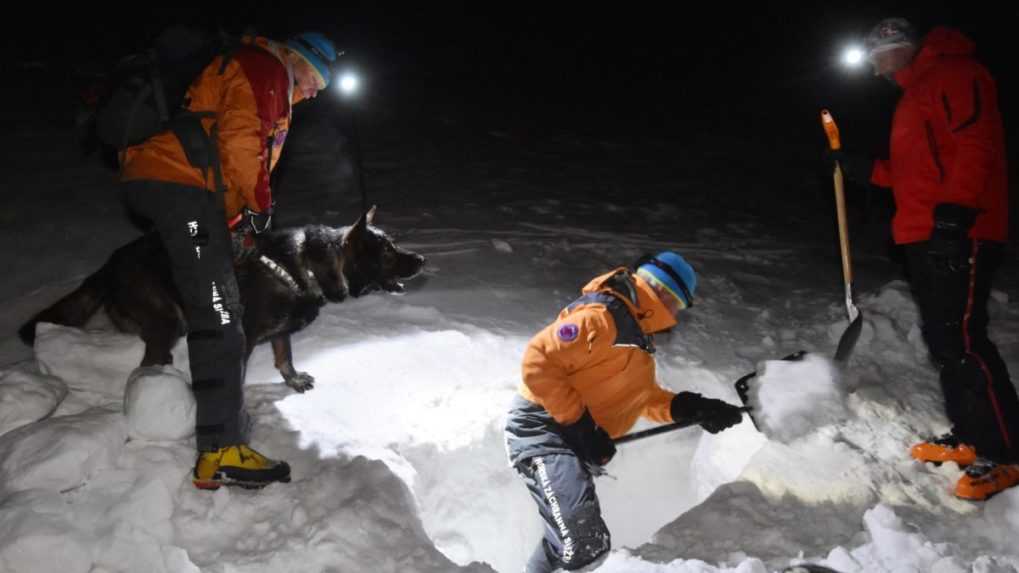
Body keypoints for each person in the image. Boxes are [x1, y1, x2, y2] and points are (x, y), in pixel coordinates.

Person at [118, 30, 338, 489]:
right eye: (317, 79)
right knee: (219, 315)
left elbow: (226, 145)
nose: (316, 92)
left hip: (177, 185)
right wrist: (256, 212)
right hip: (180, 186)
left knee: (220, 307)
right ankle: (219, 450)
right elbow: (242, 144)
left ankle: (219, 442)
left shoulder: (260, 70)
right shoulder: (266, 68)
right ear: (300, 60)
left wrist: (236, 222)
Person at [850, 17, 1019, 500]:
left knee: (964, 341)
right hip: (926, 232)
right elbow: (915, 174)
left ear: (896, 47)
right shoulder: (915, 94)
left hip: (959, 231)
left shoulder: (957, 75)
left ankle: (1005, 452)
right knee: (946, 342)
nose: (874, 69)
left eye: (874, 57)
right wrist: (867, 171)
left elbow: (975, 146)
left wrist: (954, 218)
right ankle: (973, 436)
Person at [504, 252, 746, 572]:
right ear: (662, 293)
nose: (675, 315)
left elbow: (642, 398)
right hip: (543, 428)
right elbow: (539, 359)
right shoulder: (600, 318)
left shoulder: (635, 341)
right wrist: (580, 426)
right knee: (584, 543)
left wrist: (691, 408)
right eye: (678, 305)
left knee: (572, 542)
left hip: (573, 437)